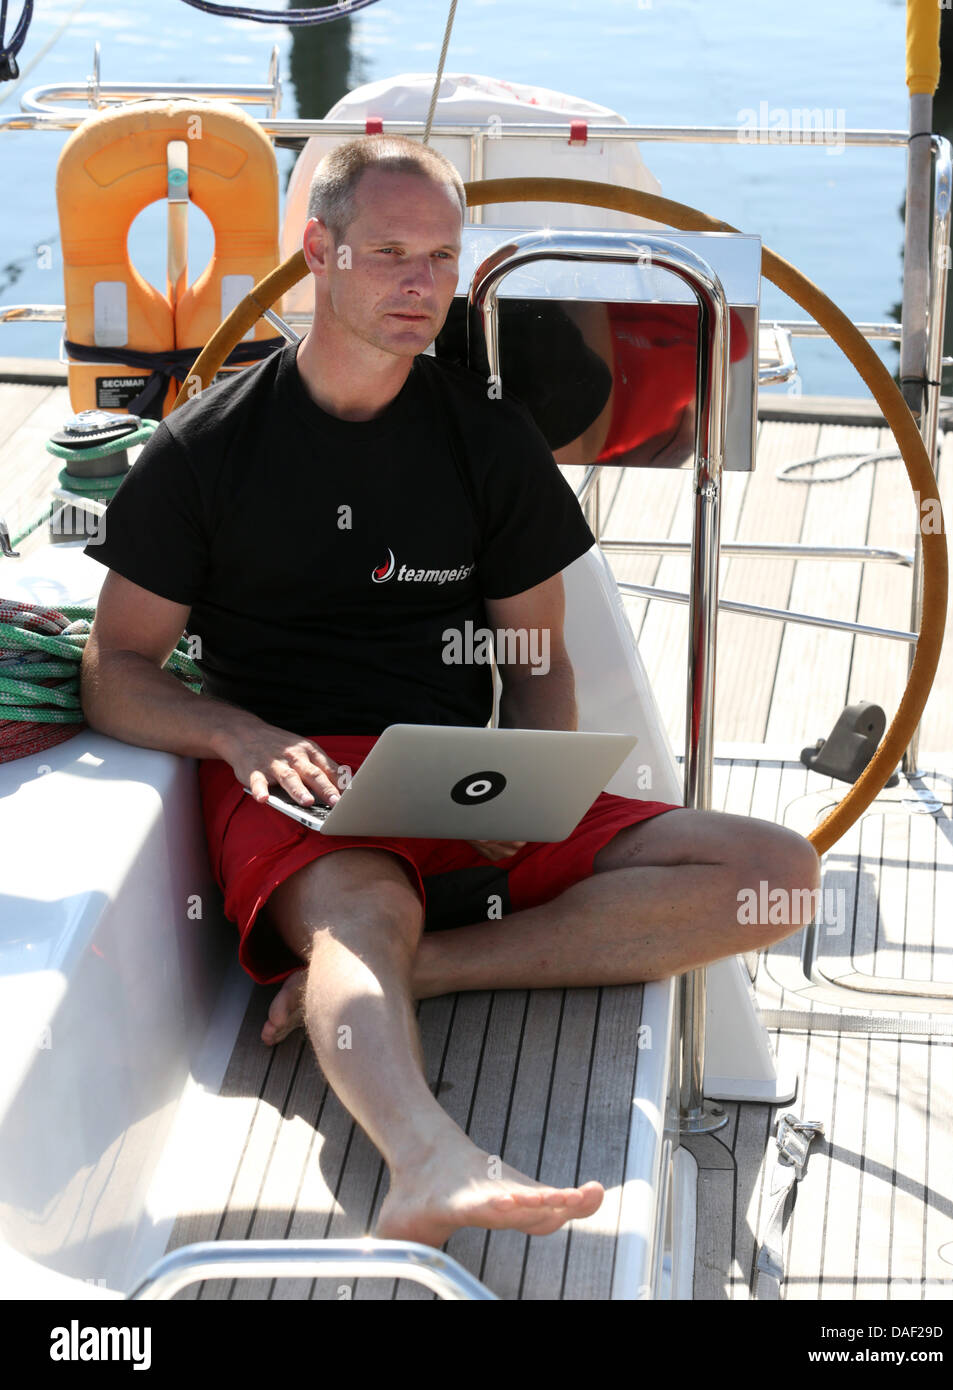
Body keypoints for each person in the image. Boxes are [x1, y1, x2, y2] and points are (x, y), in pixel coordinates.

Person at [80, 134, 820, 1250]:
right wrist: (238, 732)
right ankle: (428, 1158)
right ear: (315, 251)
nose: (422, 286)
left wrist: (523, 791)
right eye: (389, 254)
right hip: (298, 776)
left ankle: (427, 967)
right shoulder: (203, 451)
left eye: (439, 256)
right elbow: (114, 675)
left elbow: (539, 657)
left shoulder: (486, 441)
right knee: (363, 910)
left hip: (455, 773)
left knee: (776, 874)